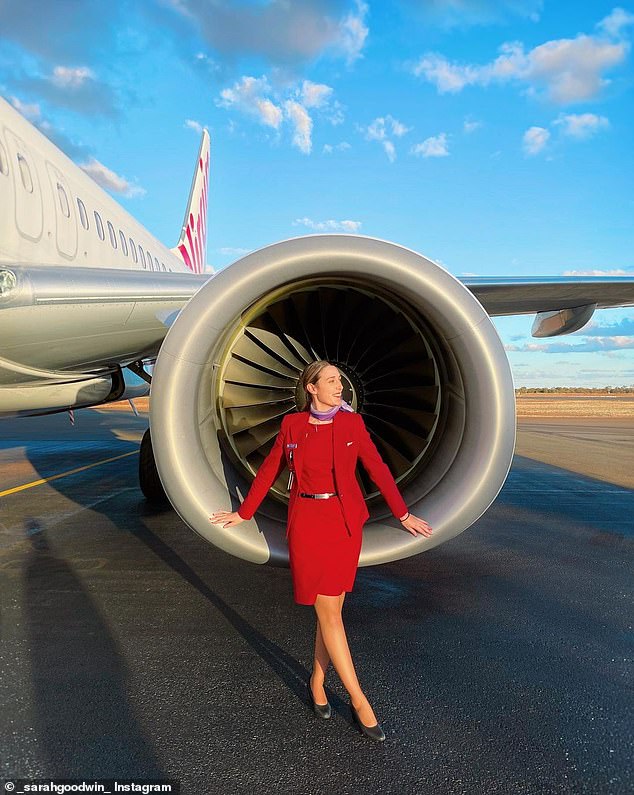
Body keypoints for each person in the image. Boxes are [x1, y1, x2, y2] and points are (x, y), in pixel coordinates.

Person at [210, 360, 432, 741]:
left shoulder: (352, 423)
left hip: (344, 524)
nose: (340, 386)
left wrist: (403, 513)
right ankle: (360, 700)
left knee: (332, 611)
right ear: (311, 388)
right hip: (308, 524)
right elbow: (269, 470)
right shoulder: (292, 426)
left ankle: (316, 680)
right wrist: (243, 512)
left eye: (340, 381)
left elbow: (377, 469)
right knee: (329, 612)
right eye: (330, 380)